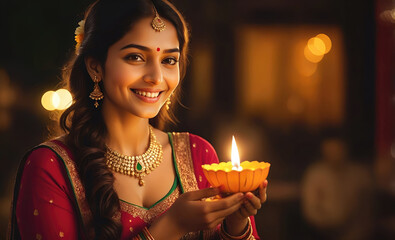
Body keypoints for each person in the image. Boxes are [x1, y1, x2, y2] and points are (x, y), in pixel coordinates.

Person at [8, 0, 268, 239]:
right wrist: (171, 226)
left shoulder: (198, 155)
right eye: (136, 57)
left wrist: (236, 225)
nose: (156, 76)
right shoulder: (51, 167)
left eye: (168, 60)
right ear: (95, 66)